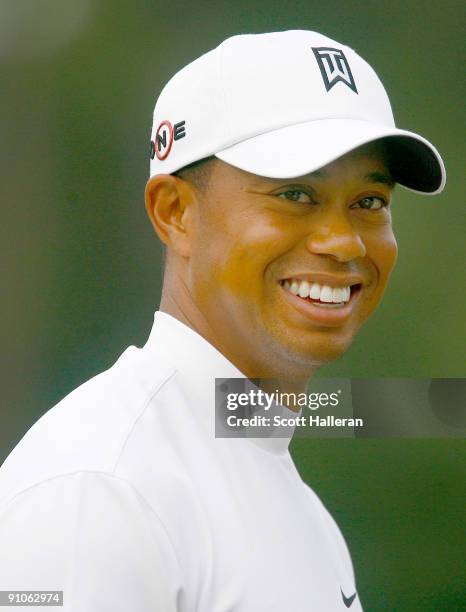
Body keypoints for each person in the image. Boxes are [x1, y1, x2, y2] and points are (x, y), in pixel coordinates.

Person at [0, 30, 445, 611]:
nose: (342, 241)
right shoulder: (102, 487)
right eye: (294, 193)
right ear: (175, 212)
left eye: (369, 201)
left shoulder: (291, 500)